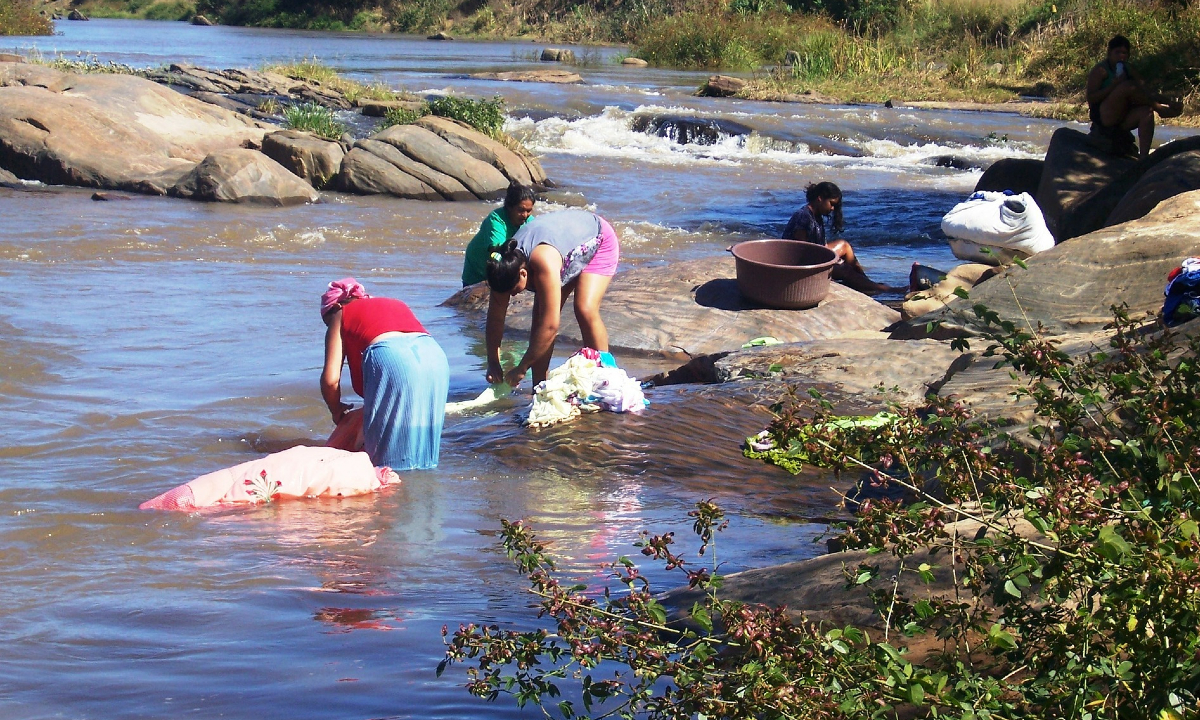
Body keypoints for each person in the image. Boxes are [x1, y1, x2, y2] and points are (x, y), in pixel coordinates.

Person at [320, 278, 449, 471]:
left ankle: (390, 496)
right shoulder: (395, 303)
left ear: (336, 306)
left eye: (327, 322)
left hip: (392, 357)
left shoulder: (340, 313)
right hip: (435, 357)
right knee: (424, 453)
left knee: (385, 464)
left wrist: (336, 409)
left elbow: (330, 381)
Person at [484, 209, 620, 388]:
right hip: (564, 246)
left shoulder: (543, 262)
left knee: (584, 308)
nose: (511, 295)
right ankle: (539, 388)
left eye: (512, 290)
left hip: (597, 238)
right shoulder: (502, 268)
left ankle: (606, 379)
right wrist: (493, 362)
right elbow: (495, 318)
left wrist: (522, 367)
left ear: (523, 273)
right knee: (540, 318)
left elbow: (550, 326)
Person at [783, 181, 902, 295]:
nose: (833, 208)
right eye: (831, 203)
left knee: (844, 246)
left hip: (814, 255)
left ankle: (866, 282)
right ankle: (878, 288)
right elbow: (801, 251)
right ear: (820, 198)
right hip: (799, 265)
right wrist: (832, 262)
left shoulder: (816, 215)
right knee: (845, 269)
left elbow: (818, 246)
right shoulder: (803, 217)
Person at [1086, 34, 1172, 160]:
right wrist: (1113, 86)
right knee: (1127, 86)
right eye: (1117, 52)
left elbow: (1145, 91)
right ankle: (1158, 108)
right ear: (1109, 52)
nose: (1121, 56)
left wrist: (1168, 101)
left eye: (1124, 53)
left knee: (1146, 112)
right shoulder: (1100, 70)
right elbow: (1091, 98)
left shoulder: (1129, 68)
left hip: (1123, 117)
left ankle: (1143, 158)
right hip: (1105, 117)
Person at [462, 183, 536, 287]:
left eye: (528, 211)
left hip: (506, 270)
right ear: (509, 207)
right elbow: (498, 253)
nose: (525, 215)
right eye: (520, 210)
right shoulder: (496, 219)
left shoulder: (530, 221)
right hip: (478, 272)